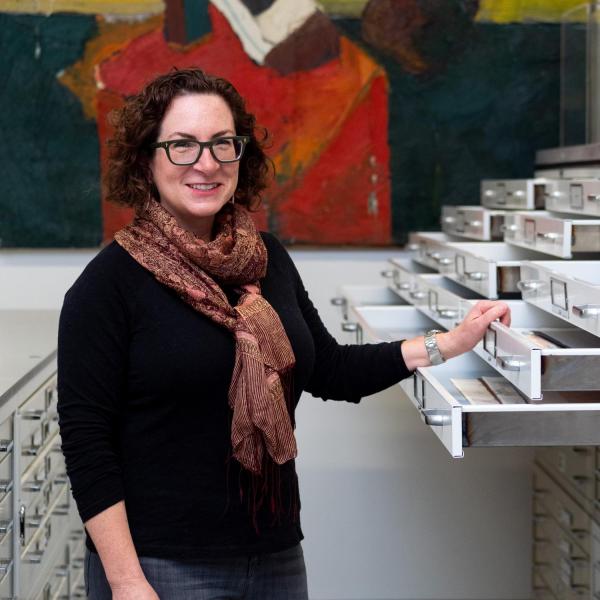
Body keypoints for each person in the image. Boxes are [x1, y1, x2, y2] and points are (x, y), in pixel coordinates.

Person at [57, 67, 510, 600]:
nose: (206, 163)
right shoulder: (108, 285)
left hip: (273, 556)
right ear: (146, 158)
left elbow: (329, 368)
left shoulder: (266, 259)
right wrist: (128, 582)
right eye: (182, 146)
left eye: (222, 144)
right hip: (163, 567)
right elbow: (88, 445)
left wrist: (449, 343)